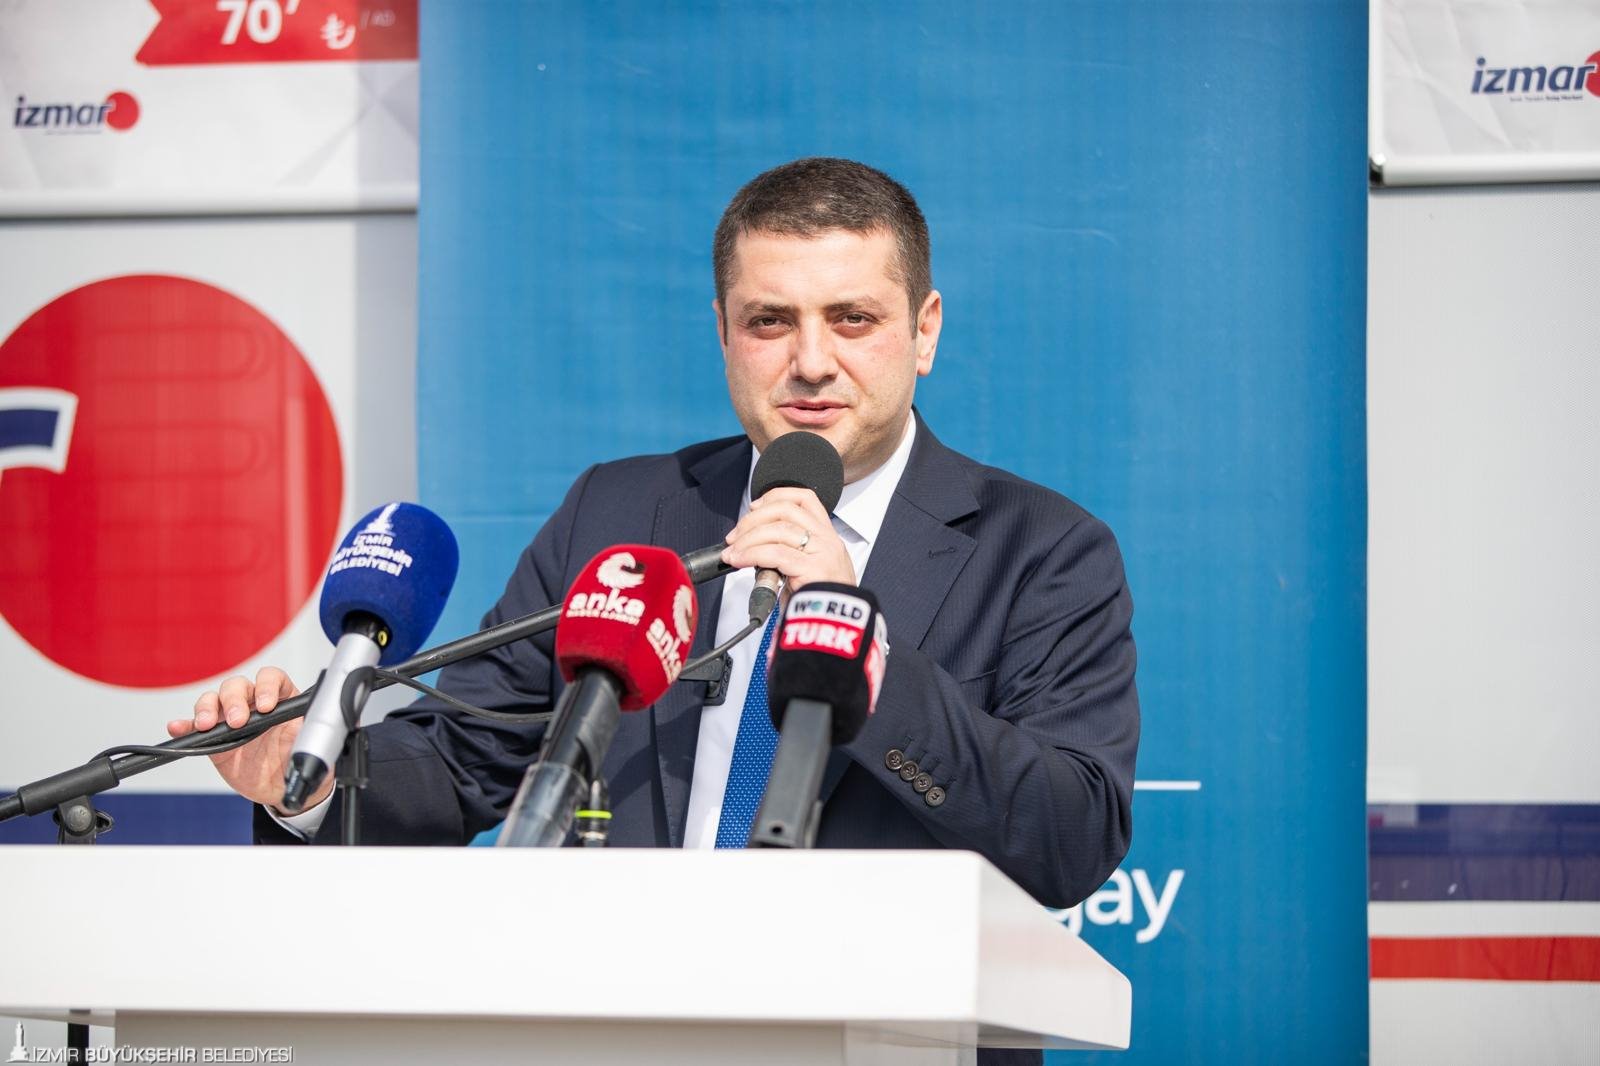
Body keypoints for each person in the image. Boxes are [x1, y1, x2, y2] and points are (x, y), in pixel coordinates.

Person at [171, 158, 1139, 912]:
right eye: (770, 321)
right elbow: (466, 758)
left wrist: (862, 645)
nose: (811, 361)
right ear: (722, 331)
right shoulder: (621, 512)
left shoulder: (1041, 550)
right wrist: (305, 783)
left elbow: (1070, 837)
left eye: (853, 319)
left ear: (924, 331)